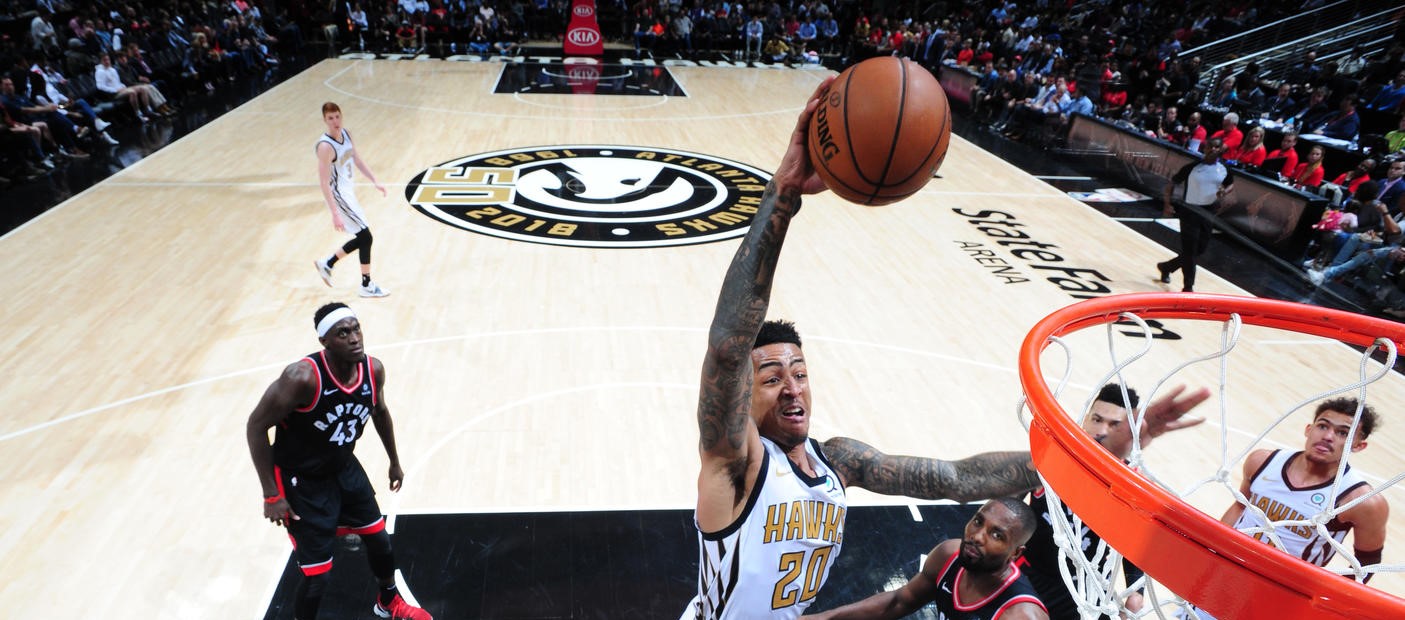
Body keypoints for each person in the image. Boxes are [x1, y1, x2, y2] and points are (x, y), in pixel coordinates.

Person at [684, 77, 1207, 620]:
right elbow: (728, 347)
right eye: (772, 378)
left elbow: (963, 480)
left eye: (800, 372)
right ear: (745, 396)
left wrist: (1115, 445)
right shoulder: (735, 463)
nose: (792, 388)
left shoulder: (836, 460)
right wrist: (784, 195)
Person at [245, 302, 432, 620]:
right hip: (301, 480)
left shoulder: (373, 370)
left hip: (343, 467)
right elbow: (256, 426)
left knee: (380, 540)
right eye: (342, 333)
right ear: (325, 341)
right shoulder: (302, 378)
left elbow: (380, 412)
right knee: (318, 577)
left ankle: (388, 602)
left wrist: (394, 461)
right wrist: (271, 494)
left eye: (356, 328)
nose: (354, 337)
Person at [1189, 398, 1388, 619]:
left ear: (1359, 445)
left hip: (1277, 598)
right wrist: (1208, 555)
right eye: (1323, 426)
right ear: (1308, 429)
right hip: (1224, 577)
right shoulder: (1263, 461)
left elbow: (1366, 565)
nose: (1328, 436)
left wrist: (1321, 602)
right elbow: (1239, 506)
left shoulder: (1362, 501)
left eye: (1343, 433)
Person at [807, 498, 1049, 620]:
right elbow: (899, 601)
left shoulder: (1020, 615)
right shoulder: (948, 555)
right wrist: (824, 618)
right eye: (978, 521)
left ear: (1016, 553)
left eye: (997, 535)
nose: (977, 536)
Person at [313, 102, 390, 298]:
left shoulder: (347, 134)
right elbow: (323, 182)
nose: (335, 121)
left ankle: (328, 263)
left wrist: (375, 180)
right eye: (330, 118)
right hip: (339, 194)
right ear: (325, 120)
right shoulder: (325, 147)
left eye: (337, 116)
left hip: (349, 193)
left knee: (363, 237)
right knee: (366, 236)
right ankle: (365, 283)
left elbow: (357, 159)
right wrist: (335, 213)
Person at [1157, 136, 1234, 292]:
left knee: (1200, 249)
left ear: (1220, 150)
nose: (1212, 149)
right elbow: (1171, 184)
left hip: (1208, 212)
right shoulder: (1192, 167)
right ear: (1204, 149)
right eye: (1210, 146)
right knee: (1190, 251)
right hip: (1190, 211)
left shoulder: (1224, 169)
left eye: (1216, 147)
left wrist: (1224, 191)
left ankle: (1166, 267)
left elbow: (1230, 184)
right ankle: (1188, 287)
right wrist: (1167, 204)